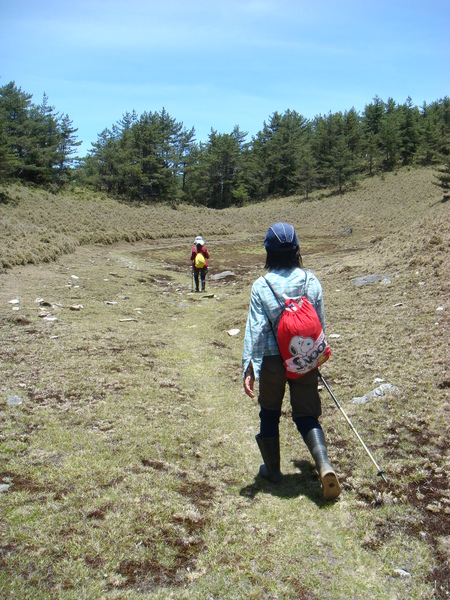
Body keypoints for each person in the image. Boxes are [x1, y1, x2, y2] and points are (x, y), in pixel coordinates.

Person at [242, 222, 341, 500]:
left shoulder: (261, 286)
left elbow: (256, 329)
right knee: (306, 415)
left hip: (273, 361)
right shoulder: (311, 281)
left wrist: (250, 367)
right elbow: (318, 324)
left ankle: (273, 471)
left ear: (268, 252)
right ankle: (323, 466)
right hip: (303, 358)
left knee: (269, 412)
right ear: (296, 250)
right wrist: (314, 360)